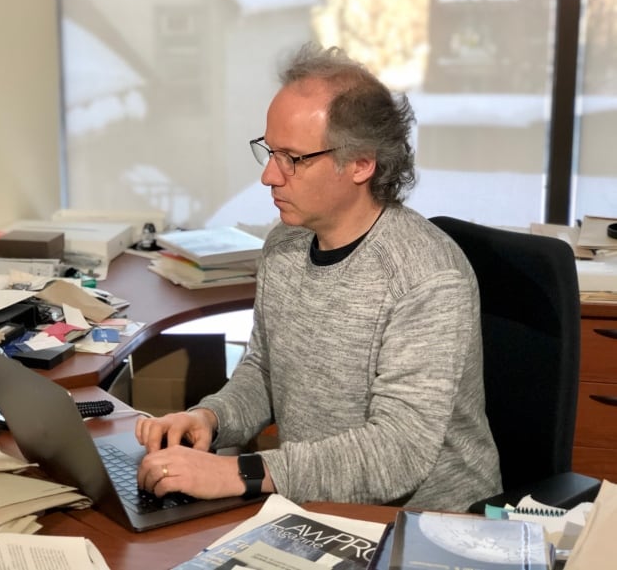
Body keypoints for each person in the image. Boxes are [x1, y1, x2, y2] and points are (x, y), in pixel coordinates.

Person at [135, 42, 502, 511]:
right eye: (269, 151)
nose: (269, 175)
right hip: (318, 504)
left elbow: (399, 452)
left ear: (362, 163)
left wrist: (242, 472)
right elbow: (266, 370)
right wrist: (212, 418)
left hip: (426, 525)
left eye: (293, 158)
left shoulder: (427, 276)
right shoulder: (284, 244)